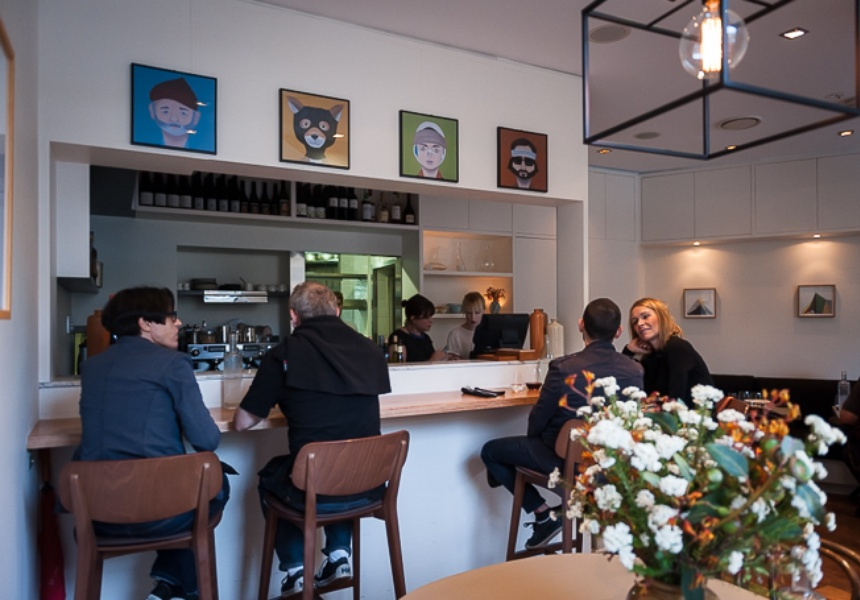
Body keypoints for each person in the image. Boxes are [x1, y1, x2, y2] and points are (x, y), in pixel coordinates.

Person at [233, 282, 391, 597]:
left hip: (317, 484)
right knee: (342, 460)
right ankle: (338, 556)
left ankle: (295, 572)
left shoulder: (283, 355)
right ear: (337, 311)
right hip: (370, 484)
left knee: (271, 478)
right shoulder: (370, 349)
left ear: (294, 316)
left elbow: (242, 423)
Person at [76, 286, 229, 600]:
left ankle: (171, 586)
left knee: (182, 489)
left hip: (97, 513)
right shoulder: (172, 363)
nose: (179, 322)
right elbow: (207, 440)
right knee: (215, 480)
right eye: (171, 316)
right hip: (161, 515)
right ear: (145, 324)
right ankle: (179, 587)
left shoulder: (91, 367)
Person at [480, 298, 643, 550]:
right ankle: (567, 509)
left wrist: (533, 444)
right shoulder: (635, 370)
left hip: (566, 463)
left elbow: (537, 419)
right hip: (609, 469)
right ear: (619, 331)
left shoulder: (564, 367)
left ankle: (543, 513)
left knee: (491, 451)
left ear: (581, 325)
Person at [622, 297, 714, 402]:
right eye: (635, 321)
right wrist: (629, 350)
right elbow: (621, 380)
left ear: (661, 317)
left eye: (645, 317)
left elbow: (676, 398)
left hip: (695, 411)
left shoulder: (677, 348)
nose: (639, 323)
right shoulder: (650, 357)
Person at [388, 293, 448, 362]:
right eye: (426, 318)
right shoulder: (398, 338)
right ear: (413, 319)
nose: (431, 321)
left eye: (431, 317)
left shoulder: (426, 338)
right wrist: (432, 360)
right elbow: (399, 367)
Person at [148, 77, 202, 149]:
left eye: (183, 113)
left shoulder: (202, 144)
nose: (174, 119)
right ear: (152, 110)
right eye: (165, 111)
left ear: (196, 117)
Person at [445, 291, 485, 360]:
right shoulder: (455, 334)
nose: (473, 317)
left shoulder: (489, 333)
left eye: (477, 313)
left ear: (483, 311)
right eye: (469, 313)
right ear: (464, 312)